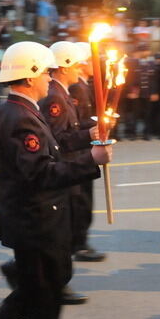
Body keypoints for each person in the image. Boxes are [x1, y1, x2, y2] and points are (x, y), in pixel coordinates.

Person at [0, 41, 111, 319]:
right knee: (46, 295)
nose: (50, 79)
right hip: (36, 219)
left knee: (45, 286)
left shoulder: (21, 111)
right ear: (33, 74)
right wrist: (91, 161)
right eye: (47, 72)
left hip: (37, 216)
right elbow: (39, 174)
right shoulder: (20, 118)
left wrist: (88, 143)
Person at [42, 41, 105, 263]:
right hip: (65, 167)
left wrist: (93, 129)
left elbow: (72, 128)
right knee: (61, 227)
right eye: (77, 66)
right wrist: (89, 135)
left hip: (71, 163)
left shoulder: (62, 93)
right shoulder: (55, 96)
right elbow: (58, 140)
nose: (80, 69)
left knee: (66, 224)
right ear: (65, 67)